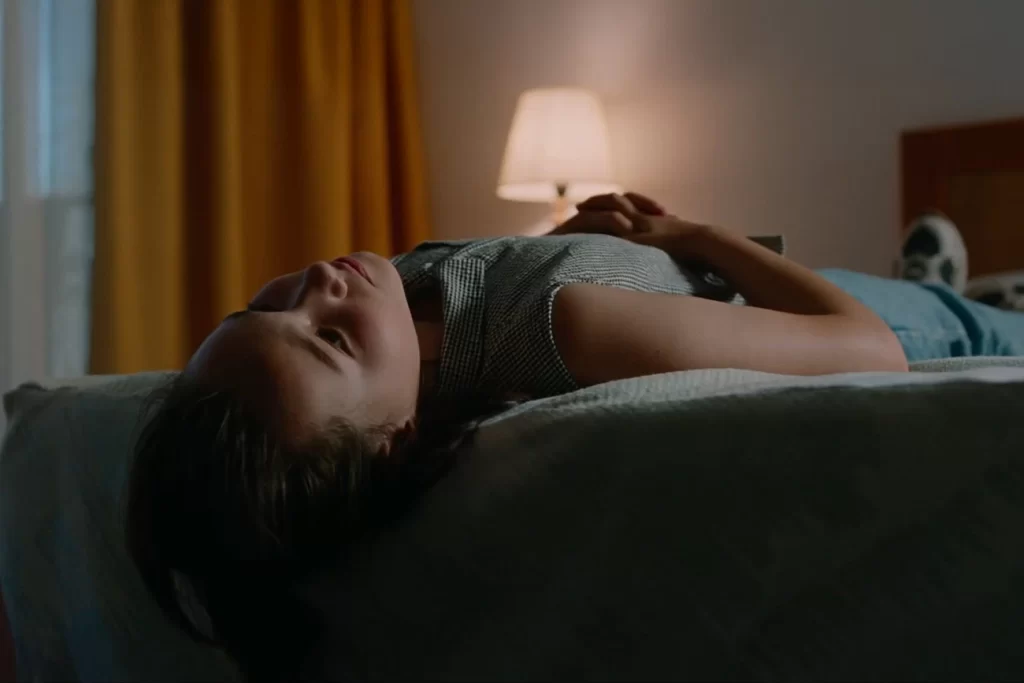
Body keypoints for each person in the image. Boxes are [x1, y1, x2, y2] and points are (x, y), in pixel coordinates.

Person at [125, 192, 1024, 679]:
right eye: (330, 337)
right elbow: (870, 347)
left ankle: (956, 281)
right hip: (870, 314)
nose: (319, 282)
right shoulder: (561, 330)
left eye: (264, 308)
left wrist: (575, 240)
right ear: (392, 439)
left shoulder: (396, 303)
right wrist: (694, 232)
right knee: (974, 321)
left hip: (795, 287)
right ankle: (971, 296)